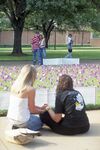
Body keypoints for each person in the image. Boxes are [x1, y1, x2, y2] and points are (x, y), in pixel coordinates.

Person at [7, 64, 47, 131]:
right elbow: (32, 110)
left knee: (33, 117)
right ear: (33, 76)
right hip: (21, 121)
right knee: (41, 121)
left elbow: (25, 104)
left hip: (11, 119)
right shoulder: (30, 89)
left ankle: (18, 127)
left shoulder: (14, 86)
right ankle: (22, 128)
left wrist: (40, 108)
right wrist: (43, 111)